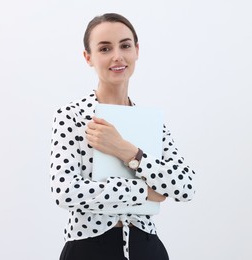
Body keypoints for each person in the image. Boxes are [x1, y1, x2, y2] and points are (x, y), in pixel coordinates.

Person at [49, 13, 196, 260]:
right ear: (88, 57)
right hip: (88, 248)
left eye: (125, 45)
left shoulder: (151, 123)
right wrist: (144, 192)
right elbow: (65, 191)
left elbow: (185, 186)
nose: (117, 55)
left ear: (136, 51)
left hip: (146, 247)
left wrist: (126, 151)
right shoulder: (72, 116)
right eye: (105, 48)